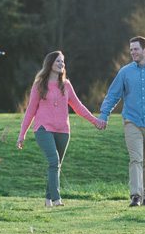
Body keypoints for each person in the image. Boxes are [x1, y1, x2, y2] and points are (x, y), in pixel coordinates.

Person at [17, 51, 105, 207]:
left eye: (63, 62)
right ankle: (57, 199)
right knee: (53, 161)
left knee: (55, 165)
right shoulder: (39, 85)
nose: (61, 64)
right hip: (44, 129)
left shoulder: (67, 85)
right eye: (58, 61)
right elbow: (30, 110)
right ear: (50, 63)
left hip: (63, 130)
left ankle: (47, 199)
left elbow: (78, 107)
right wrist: (22, 134)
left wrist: (94, 121)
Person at [98, 35, 145, 207]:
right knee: (136, 159)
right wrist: (104, 114)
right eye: (131, 49)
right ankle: (136, 196)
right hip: (131, 120)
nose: (132, 52)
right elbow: (113, 94)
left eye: (135, 49)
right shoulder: (125, 72)